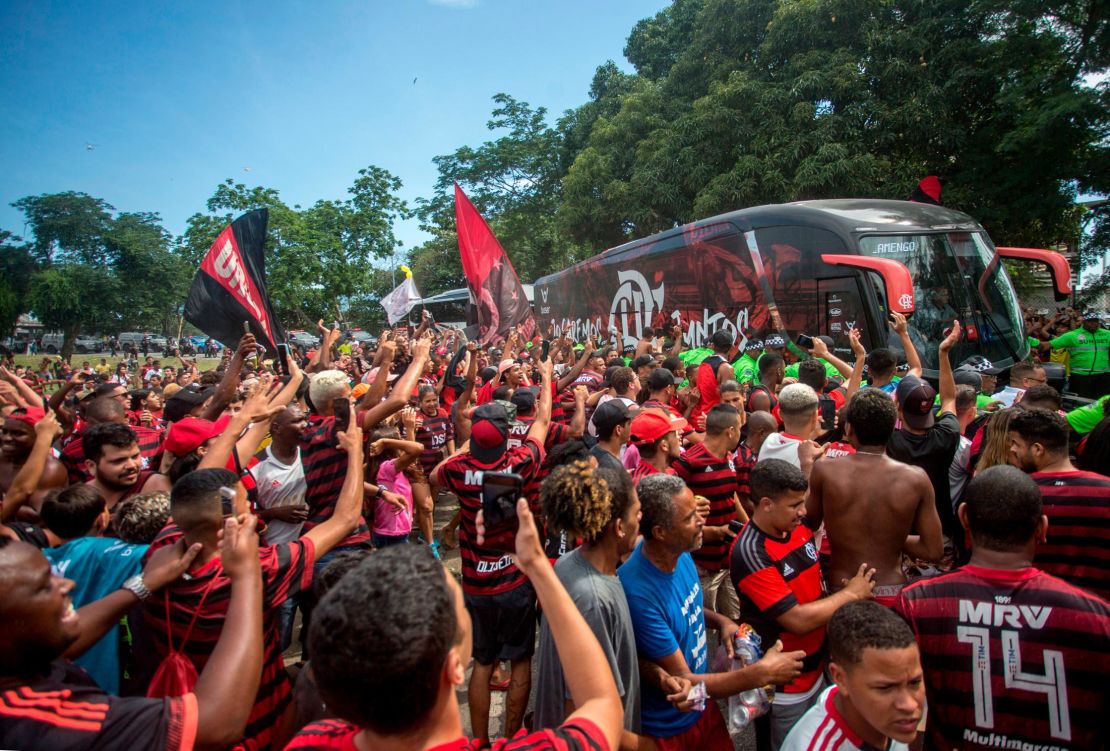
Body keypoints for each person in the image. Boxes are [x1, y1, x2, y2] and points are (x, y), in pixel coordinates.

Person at [287, 502, 623, 751]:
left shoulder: (313, 741)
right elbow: (601, 702)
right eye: (456, 604)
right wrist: (537, 567)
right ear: (454, 668)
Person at [143, 403, 364, 751]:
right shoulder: (257, 570)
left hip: (178, 719)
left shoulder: (164, 548)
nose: (254, 518)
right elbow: (345, 520)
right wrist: (355, 452)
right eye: (248, 509)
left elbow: (203, 482)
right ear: (230, 521)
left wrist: (246, 423)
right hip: (254, 722)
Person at [0, 513, 264, 750]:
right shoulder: (41, 722)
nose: (67, 584)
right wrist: (246, 575)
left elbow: (69, 639)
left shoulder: (17, 656)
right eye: (44, 586)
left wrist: (143, 584)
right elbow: (215, 725)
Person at [895, 466, 1110, 751]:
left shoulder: (918, 604)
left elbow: (905, 715)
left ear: (964, 518)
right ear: (1042, 528)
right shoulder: (1095, 618)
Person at [619, 473, 805, 750]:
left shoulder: (679, 551)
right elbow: (685, 681)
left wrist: (722, 621)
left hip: (702, 707)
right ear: (660, 532)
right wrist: (761, 674)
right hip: (669, 727)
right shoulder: (638, 593)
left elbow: (684, 605)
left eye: (696, 512)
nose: (700, 522)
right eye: (689, 518)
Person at [435, 355, 554, 744]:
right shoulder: (519, 464)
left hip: (475, 583)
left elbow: (436, 474)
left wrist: (468, 445)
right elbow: (540, 425)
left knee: (483, 663)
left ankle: (481, 741)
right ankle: (514, 736)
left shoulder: (456, 471)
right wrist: (548, 380)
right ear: (505, 438)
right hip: (515, 582)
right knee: (520, 661)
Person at [731, 459, 876, 749]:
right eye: (794, 505)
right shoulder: (750, 552)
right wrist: (851, 595)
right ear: (766, 504)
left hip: (816, 670)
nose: (803, 511)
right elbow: (795, 619)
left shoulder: (797, 526)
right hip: (786, 685)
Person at [535, 463, 652, 748]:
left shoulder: (571, 563)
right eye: (636, 513)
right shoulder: (592, 599)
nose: (642, 518)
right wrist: (645, 746)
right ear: (619, 527)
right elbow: (579, 715)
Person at [806, 389, 942, 606]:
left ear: (849, 429)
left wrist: (806, 467)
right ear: (892, 429)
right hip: (892, 590)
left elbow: (808, 523)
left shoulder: (825, 471)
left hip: (841, 588)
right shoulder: (916, 479)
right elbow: (933, 550)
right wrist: (891, 537)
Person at [38, 484, 147, 694]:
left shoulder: (36, 561)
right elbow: (162, 552)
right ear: (102, 519)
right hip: (101, 683)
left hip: (51, 679)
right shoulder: (112, 553)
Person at [780, 601, 925, 751]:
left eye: (915, 682)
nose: (910, 705)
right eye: (885, 688)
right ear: (840, 679)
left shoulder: (892, 721)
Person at [1008, 408, 1110, 600]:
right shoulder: (1105, 492)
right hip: (1100, 610)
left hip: (1033, 609)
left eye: (1015, 443)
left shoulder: (1016, 492)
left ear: (1037, 449)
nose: (1011, 450)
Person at [886, 324, 962, 551]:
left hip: (898, 532)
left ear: (898, 407)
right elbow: (949, 398)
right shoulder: (947, 435)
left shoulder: (888, 440)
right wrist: (943, 353)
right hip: (940, 532)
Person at [671, 403, 744, 620]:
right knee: (705, 622)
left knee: (735, 620)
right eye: (739, 428)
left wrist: (748, 525)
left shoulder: (729, 458)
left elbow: (733, 495)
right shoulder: (688, 462)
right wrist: (711, 531)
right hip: (701, 563)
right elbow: (673, 509)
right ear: (730, 431)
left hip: (728, 560)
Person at [83, 422, 172, 513]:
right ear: (91, 466)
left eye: (135, 456)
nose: (132, 465)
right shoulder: (82, 499)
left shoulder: (156, 486)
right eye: (119, 461)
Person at [1043, 310, 1109, 399]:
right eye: (1090, 321)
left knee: (1102, 404)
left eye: (1095, 321)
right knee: (1081, 403)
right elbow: (1048, 345)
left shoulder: (1107, 334)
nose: (1093, 323)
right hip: (1079, 377)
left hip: (1103, 376)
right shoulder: (1072, 335)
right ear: (1084, 322)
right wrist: (1031, 342)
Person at [758, 383, 821, 471]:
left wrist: (814, 434)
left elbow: (791, 444)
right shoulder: (815, 456)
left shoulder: (769, 440)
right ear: (815, 415)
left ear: (780, 414)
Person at [629, 408, 685, 484]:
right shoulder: (650, 487)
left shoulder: (666, 472)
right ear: (664, 445)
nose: (679, 437)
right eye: (675, 434)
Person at [690, 329, 734, 425]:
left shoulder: (704, 362)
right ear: (732, 347)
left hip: (699, 418)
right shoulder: (726, 368)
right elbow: (727, 399)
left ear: (713, 346)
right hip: (712, 421)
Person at [588, 399, 633, 474]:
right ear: (618, 429)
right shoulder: (612, 467)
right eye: (629, 423)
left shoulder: (593, 451)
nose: (631, 426)